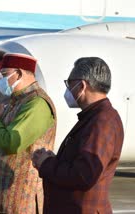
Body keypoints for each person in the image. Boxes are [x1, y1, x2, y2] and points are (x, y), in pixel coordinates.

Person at [32, 57, 124, 214]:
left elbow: (83, 175)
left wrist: (46, 164)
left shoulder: (101, 122)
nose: (68, 90)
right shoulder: (94, 117)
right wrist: (54, 160)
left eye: (69, 84)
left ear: (81, 86)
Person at [0, 53, 57, 214]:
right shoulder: (12, 102)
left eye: (4, 75)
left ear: (20, 73)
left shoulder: (37, 104)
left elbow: (12, 143)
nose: (0, 80)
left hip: (12, 202)